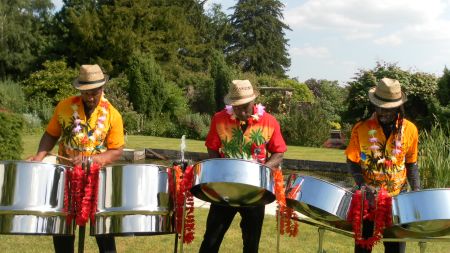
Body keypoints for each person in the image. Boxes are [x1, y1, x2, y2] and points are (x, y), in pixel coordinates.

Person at [29, 64, 124, 253]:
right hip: (67, 178)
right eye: (86, 92)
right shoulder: (64, 107)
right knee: (62, 233)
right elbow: (50, 134)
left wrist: (91, 161)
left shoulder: (113, 115)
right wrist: (39, 156)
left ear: (102, 89)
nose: (90, 97)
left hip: (97, 181)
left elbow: (116, 150)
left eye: (94, 92)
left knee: (104, 236)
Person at [199, 79, 287, 253]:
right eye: (236, 106)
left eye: (243, 107)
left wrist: (264, 169)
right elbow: (211, 146)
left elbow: (279, 152)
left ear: (253, 101)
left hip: (254, 192)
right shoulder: (219, 118)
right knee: (211, 240)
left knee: (251, 244)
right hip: (225, 189)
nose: (239, 111)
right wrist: (219, 171)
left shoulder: (269, 121)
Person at [345, 77, 420, 253]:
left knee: (396, 249)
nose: (384, 112)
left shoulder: (410, 130)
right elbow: (352, 160)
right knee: (363, 248)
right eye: (380, 108)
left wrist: (416, 191)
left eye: (389, 109)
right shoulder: (361, 129)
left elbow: (412, 163)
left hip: (397, 200)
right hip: (367, 199)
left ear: (398, 107)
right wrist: (363, 185)